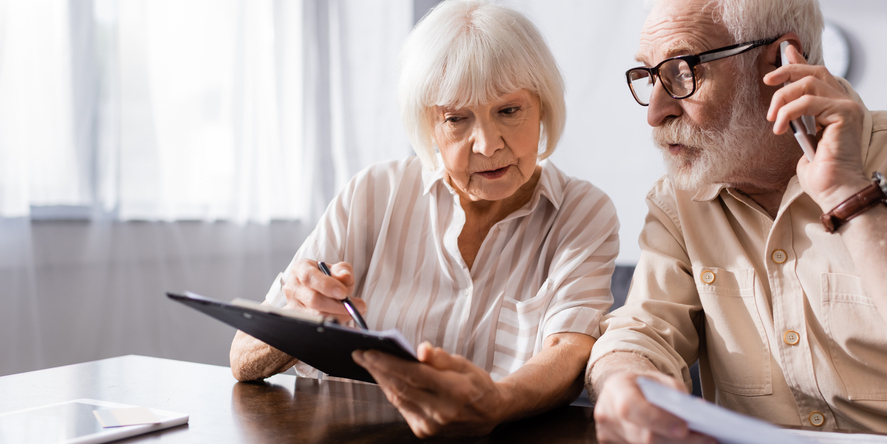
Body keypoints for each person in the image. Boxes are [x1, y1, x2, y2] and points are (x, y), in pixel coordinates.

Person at [586, 0, 887, 442]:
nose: (655, 112)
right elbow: (640, 331)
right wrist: (621, 380)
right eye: (650, 78)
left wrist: (851, 196)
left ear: (781, 63)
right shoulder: (679, 201)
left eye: (682, 73)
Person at [228, 0, 620, 438]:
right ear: (427, 125)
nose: (488, 145)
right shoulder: (373, 192)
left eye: (509, 111)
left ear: (543, 107)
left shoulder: (583, 212)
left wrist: (494, 402)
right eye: (457, 118)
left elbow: (568, 354)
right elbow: (243, 360)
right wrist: (301, 316)